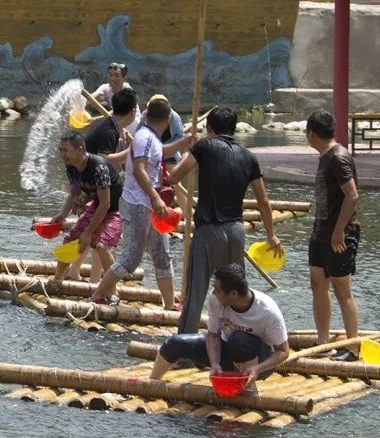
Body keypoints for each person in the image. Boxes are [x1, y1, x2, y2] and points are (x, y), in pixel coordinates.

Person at [168, 106, 282, 334]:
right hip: (236, 231)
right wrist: (271, 235)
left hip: (209, 231)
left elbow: (176, 175)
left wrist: (185, 156)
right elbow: (263, 201)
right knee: (236, 293)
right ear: (234, 129)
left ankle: (184, 350)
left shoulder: (204, 146)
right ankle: (237, 340)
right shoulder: (249, 157)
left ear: (209, 129)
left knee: (195, 294)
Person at [90, 98, 191, 309]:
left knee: (163, 256)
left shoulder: (150, 136)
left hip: (151, 206)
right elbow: (139, 169)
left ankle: (170, 304)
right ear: (168, 119)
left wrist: (183, 143)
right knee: (130, 259)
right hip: (138, 204)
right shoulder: (144, 137)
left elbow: (160, 153)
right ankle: (97, 296)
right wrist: (155, 197)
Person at [150, 263, 289, 391]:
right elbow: (213, 335)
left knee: (239, 340)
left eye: (217, 289)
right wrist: (215, 363)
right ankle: (150, 385)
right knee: (174, 343)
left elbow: (283, 351)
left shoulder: (267, 311)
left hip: (259, 362)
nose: (214, 293)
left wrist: (257, 369)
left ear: (233, 293)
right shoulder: (216, 299)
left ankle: (248, 388)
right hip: (228, 351)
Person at [305, 110, 361, 361]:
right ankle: (322, 342)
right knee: (317, 282)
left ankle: (353, 347)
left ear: (311, 133)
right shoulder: (325, 157)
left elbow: (352, 195)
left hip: (340, 234)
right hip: (321, 233)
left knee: (341, 288)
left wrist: (339, 231)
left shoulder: (338, 158)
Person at [51, 132, 123, 283]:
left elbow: (106, 204)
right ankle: (57, 281)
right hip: (97, 206)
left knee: (102, 246)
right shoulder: (71, 167)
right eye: (61, 150)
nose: (63, 155)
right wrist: (62, 215)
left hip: (118, 210)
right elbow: (74, 193)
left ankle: (112, 292)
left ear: (80, 150)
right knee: (69, 240)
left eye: (66, 150)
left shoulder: (98, 167)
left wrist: (88, 233)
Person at [90, 62, 141, 129]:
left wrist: (95, 120)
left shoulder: (127, 91)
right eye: (111, 75)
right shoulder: (106, 87)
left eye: (116, 76)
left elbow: (116, 112)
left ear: (124, 78)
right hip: (120, 121)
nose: (113, 78)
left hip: (133, 122)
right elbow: (91, 97)